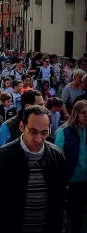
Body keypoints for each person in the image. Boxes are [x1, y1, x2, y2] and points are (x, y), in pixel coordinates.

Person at [0, 105, 68, 233]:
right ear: (22, 127)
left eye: (44, 132)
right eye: (33, 131)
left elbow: (61, 198)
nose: (39, 139)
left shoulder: (57, 156)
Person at [55, 100, 87, 233]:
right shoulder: (65, 133)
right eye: (83, 113)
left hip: (86, 181)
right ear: (76, 113)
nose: (86, 115)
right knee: (73, 216)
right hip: (72, 182)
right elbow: (57, 158)